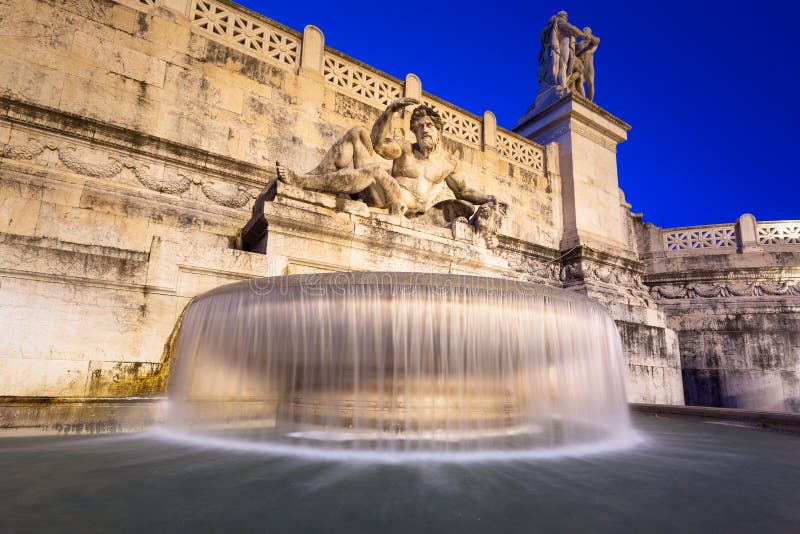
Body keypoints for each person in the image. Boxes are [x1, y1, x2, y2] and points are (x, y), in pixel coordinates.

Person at [277, 98, 494, 216]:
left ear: (439, 131)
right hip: (385, 195)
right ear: (414, 132)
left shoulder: (448, 163)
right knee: (358, 133)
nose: (424, 130)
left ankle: (304, 182)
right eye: (419, 128)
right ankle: (315, 176)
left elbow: (463, 191)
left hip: (406, 205)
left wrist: (489, 199)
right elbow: (378, 144)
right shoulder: (405, 149)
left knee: (375, 171)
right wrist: (389, 112)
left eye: (429, 126)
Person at [574, 27, 599, 101]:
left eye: (586, 30)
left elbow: (597, 41)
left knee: (590, 83)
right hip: (580, 64)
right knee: (580, 81)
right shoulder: (579, 44)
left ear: (590, 32)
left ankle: (590, 101)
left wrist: (590, 36)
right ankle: (583, 99)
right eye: (583, 31)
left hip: (589, 64)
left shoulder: (592, 42)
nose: (584, 31)